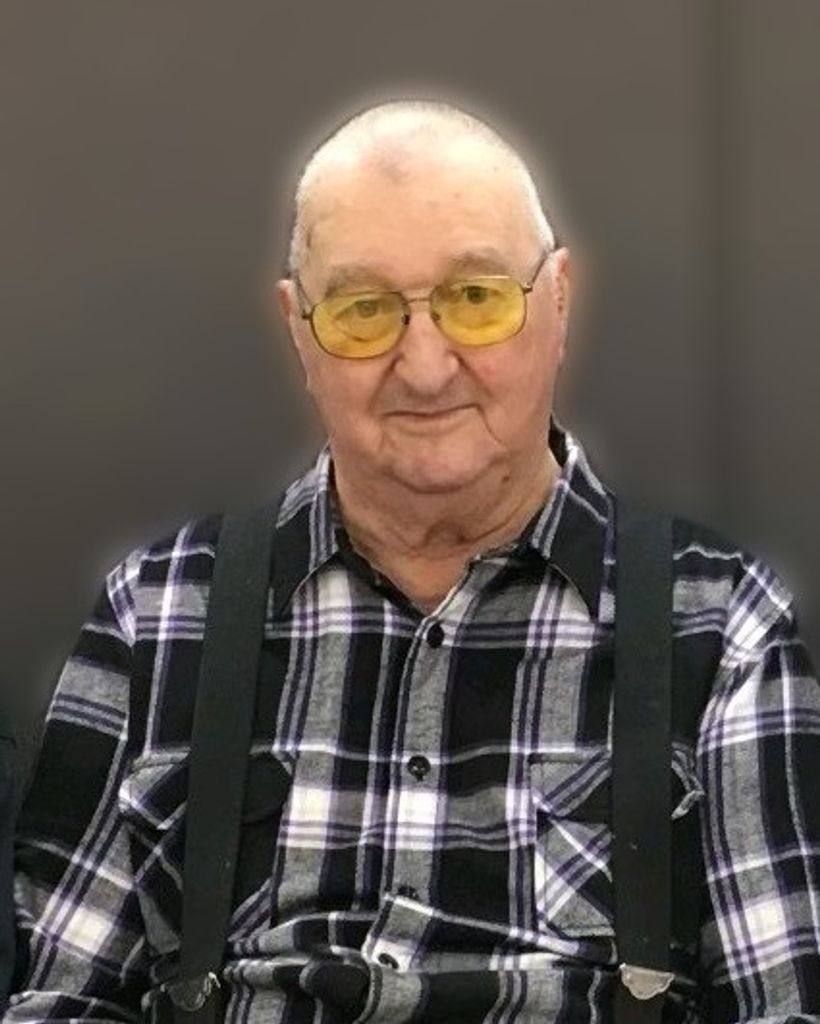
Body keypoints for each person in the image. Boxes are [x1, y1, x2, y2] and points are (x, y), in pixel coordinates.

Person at [5, 100, 820, 1024]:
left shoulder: (719, 622)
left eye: (477, 299)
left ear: (557, 302)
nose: (426, 367)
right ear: (299, 330)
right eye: (364, 312)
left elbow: (785, 1007)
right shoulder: (156, 614)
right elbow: (58, 1003)